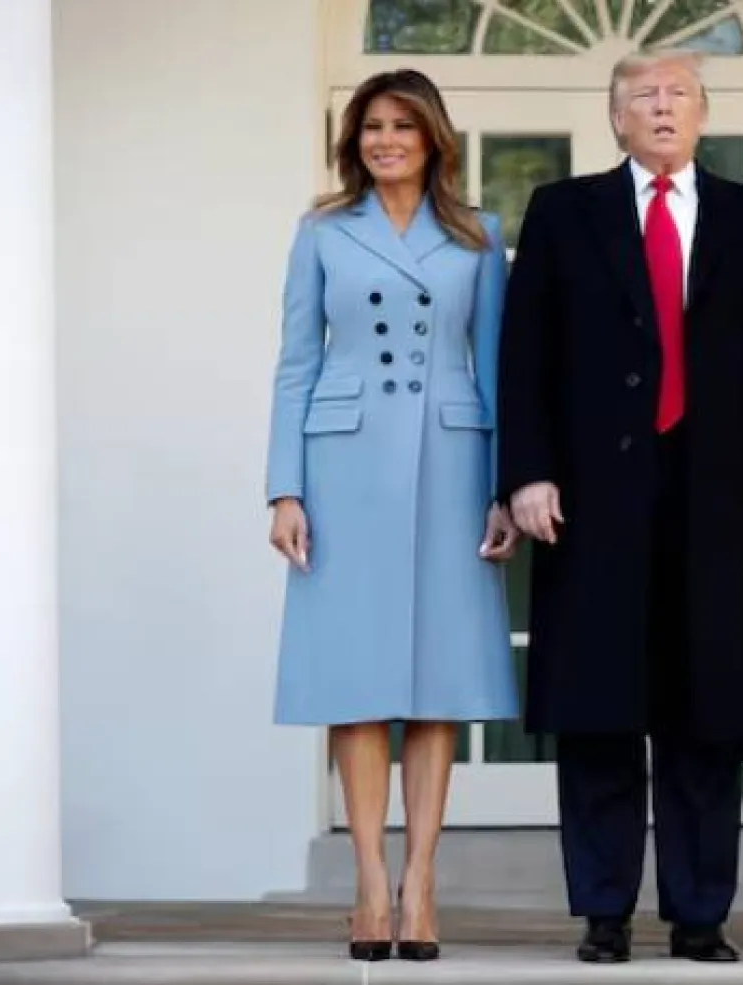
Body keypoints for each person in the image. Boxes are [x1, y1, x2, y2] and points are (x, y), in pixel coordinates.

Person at [497, 49, 743, 964]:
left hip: (718, 500)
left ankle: (700, 912)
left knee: (705, 713)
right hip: (591, 499)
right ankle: (603, 910)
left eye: (678, 94)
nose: (662, 107)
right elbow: (526, 354)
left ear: (704, 113)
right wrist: (527, 473)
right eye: (643, 96)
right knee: (599, 710)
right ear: (615, 117)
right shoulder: (564, 214)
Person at [264, 68, 520, 963]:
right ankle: (371, 881)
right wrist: (284, 488)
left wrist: (502, 488)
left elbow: (495, 368)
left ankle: (422, 883)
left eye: (402, 127)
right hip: (345, 465)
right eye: (370, 126)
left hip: (451, 464)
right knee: (358, 676)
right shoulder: (323, 232)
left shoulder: (480, 236)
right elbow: (295, 362)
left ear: (432, 139)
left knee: (438, 678)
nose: (384, 141)